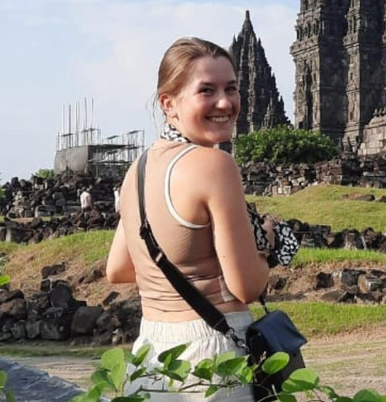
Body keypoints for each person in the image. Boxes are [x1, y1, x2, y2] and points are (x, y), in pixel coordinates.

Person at [106, 37, 276, 401]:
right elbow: (246, 287)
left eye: (231, 89)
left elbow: (118, 269)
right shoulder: (215, 164)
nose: (225, 103)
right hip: (211, 358)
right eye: (207, 91)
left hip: (150, 358)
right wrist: (267, 244)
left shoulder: (138, 169)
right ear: (168, 103)